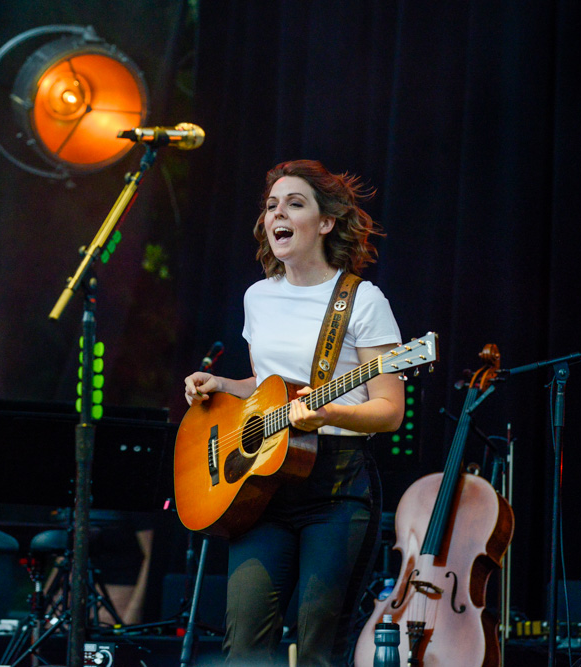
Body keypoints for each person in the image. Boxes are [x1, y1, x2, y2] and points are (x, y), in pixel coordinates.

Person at [183, 159, 404, 666]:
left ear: (325, 222)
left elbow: (389, 410)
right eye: (271, 205)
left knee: (317, 651)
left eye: (294, 203)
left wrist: (328, 416)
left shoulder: (362, 301)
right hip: (259, 489)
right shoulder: (258, 296)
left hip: (336, 489)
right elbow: (269, 390)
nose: (277, 213)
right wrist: (222, 385)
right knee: (244, 648)